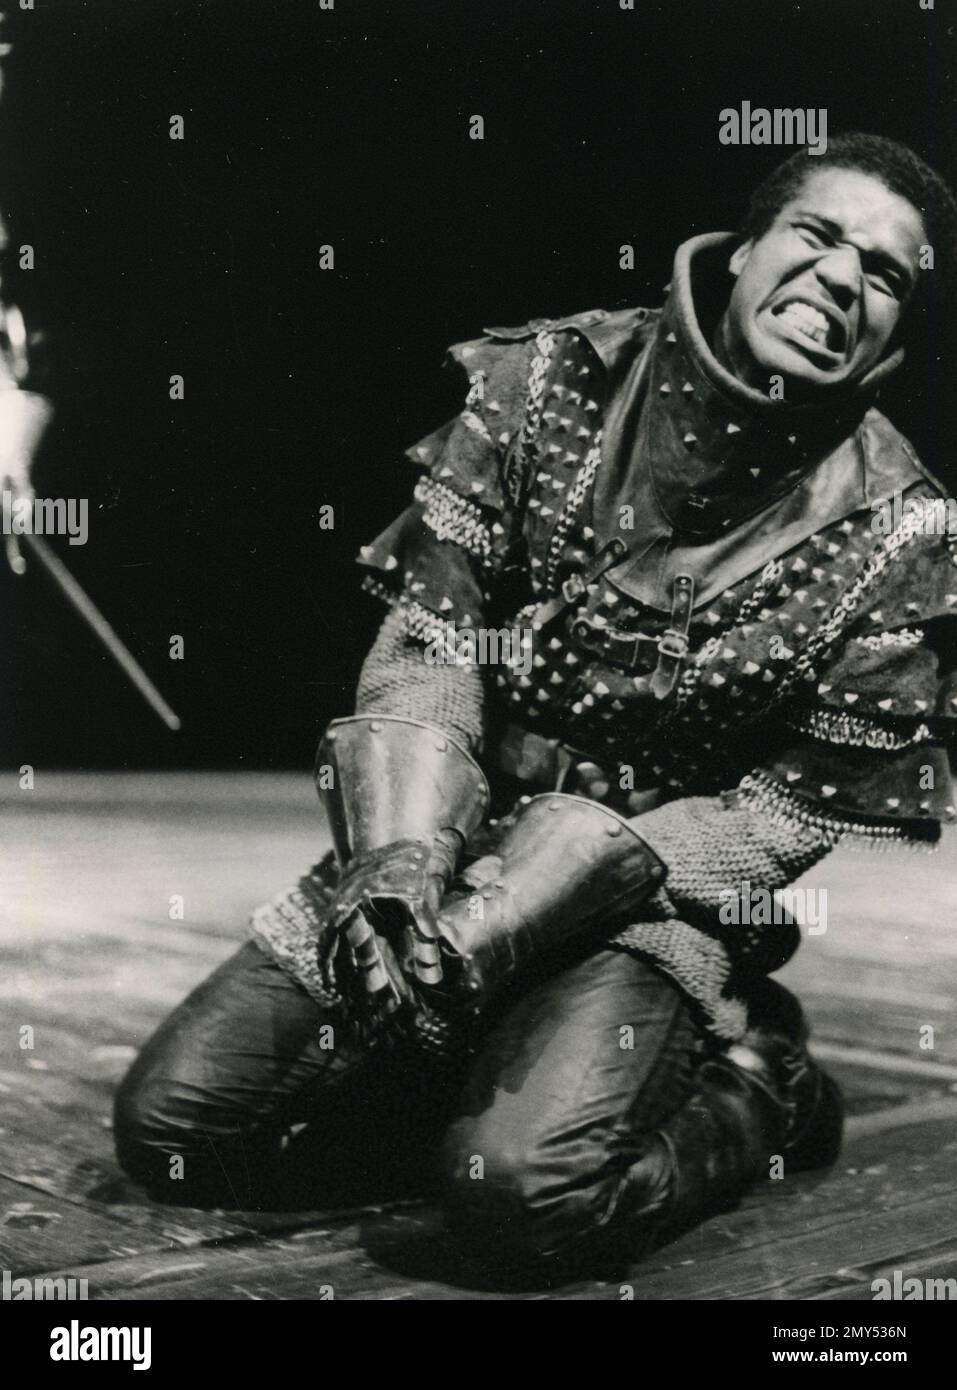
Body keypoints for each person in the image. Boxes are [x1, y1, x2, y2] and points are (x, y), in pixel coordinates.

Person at [116, 134, 957, 1276]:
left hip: (646, 900)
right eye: (817, 234)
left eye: (887, 273)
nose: (844, 278)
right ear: (749, 246)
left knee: (524, 1199)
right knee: (176, 1133)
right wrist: (403, 863)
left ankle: (763, 1087)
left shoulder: (903, 527)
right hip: (451, 844)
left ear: (897, 325)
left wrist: (562, 883)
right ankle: (474, 1068)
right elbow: (432, 637)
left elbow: (792, 809)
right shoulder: (550, 378)